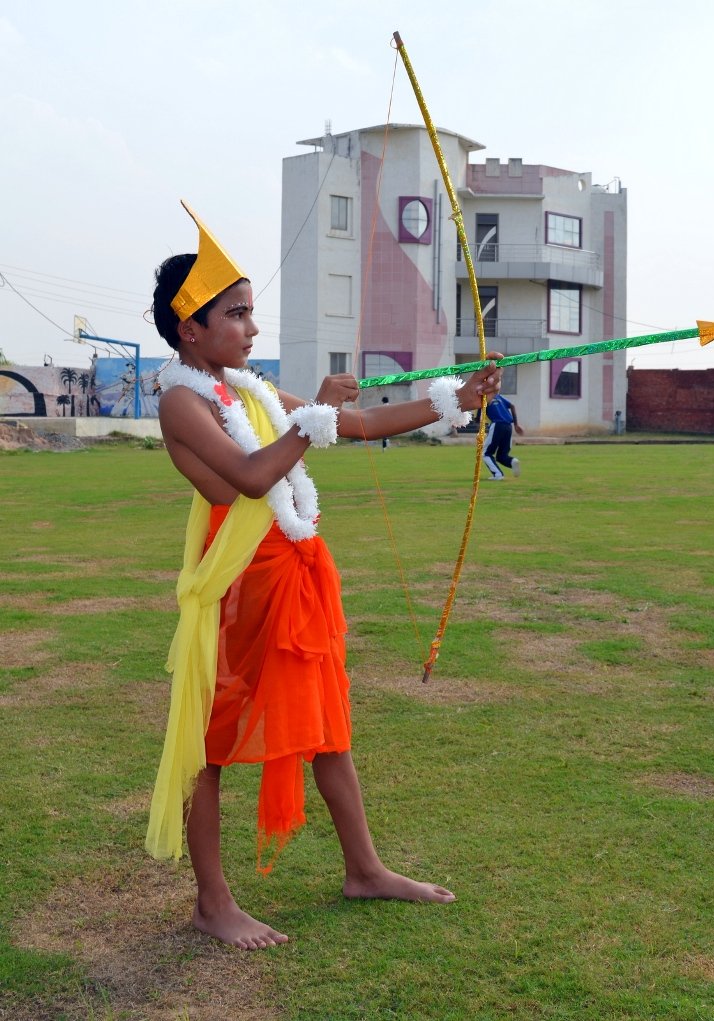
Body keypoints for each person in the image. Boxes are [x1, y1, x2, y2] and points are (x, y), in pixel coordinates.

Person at [145, 203, 503, 951]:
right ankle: (213, 902)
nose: (252, 328)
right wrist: (314, 417)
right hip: (237, 585)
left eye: (251, 312)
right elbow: (249, 477)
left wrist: (455, 402)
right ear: (190, 329)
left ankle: (365, 869)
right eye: (236, 314)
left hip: (293, 571)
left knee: (328, 726)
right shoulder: (182, 399)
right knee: (207, 744)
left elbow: (357, 426)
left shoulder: (249, 390)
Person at [482, 393, 524, 480]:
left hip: (497, 425)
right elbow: (512, 405)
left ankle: (498, 474)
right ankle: (512, 461)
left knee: (486, 453)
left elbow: (479, 414)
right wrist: (516, 425)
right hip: (508, 426)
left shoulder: (484, 397)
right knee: (502, 456)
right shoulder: (498, 396)